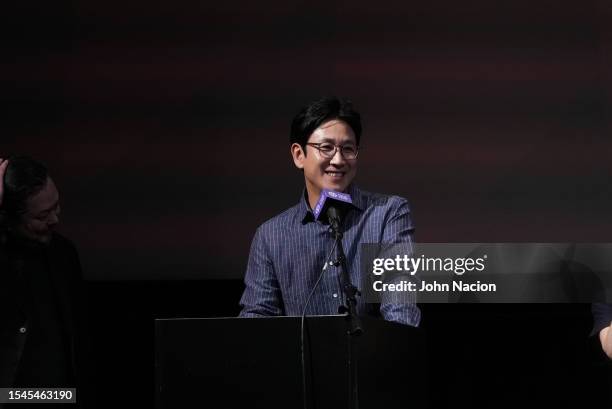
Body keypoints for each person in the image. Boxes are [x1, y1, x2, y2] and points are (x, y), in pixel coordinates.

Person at [238, 97, 420, 326]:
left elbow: (400, 307)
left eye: (348, 149)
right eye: (326, 148)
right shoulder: (270, 236)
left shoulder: (387, 214)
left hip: (374, 358)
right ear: (298, 155)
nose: (338, 159)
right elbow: (257, 321)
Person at [0, 156, 87, 405]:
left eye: (56, 206)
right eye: (43, 215)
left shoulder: (63, 253)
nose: (55, 219)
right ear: (8, 219)